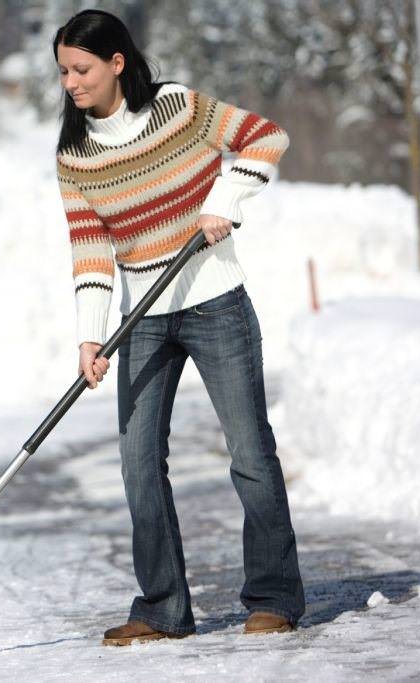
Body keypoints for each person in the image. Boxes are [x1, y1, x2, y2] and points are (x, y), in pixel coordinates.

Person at [52, 9, 306, 646]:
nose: (71, 83)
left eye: (81, 69)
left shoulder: (178, 108)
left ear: (117, 62)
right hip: (142, 317)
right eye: (62, 72)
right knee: (138, 464)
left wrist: (224, 201)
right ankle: (163, 607)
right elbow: (90, 248)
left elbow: (265, 136)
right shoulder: (75, 153)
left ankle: (275, 596)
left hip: (215, 300)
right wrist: (90, 335)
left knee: (249, 453)